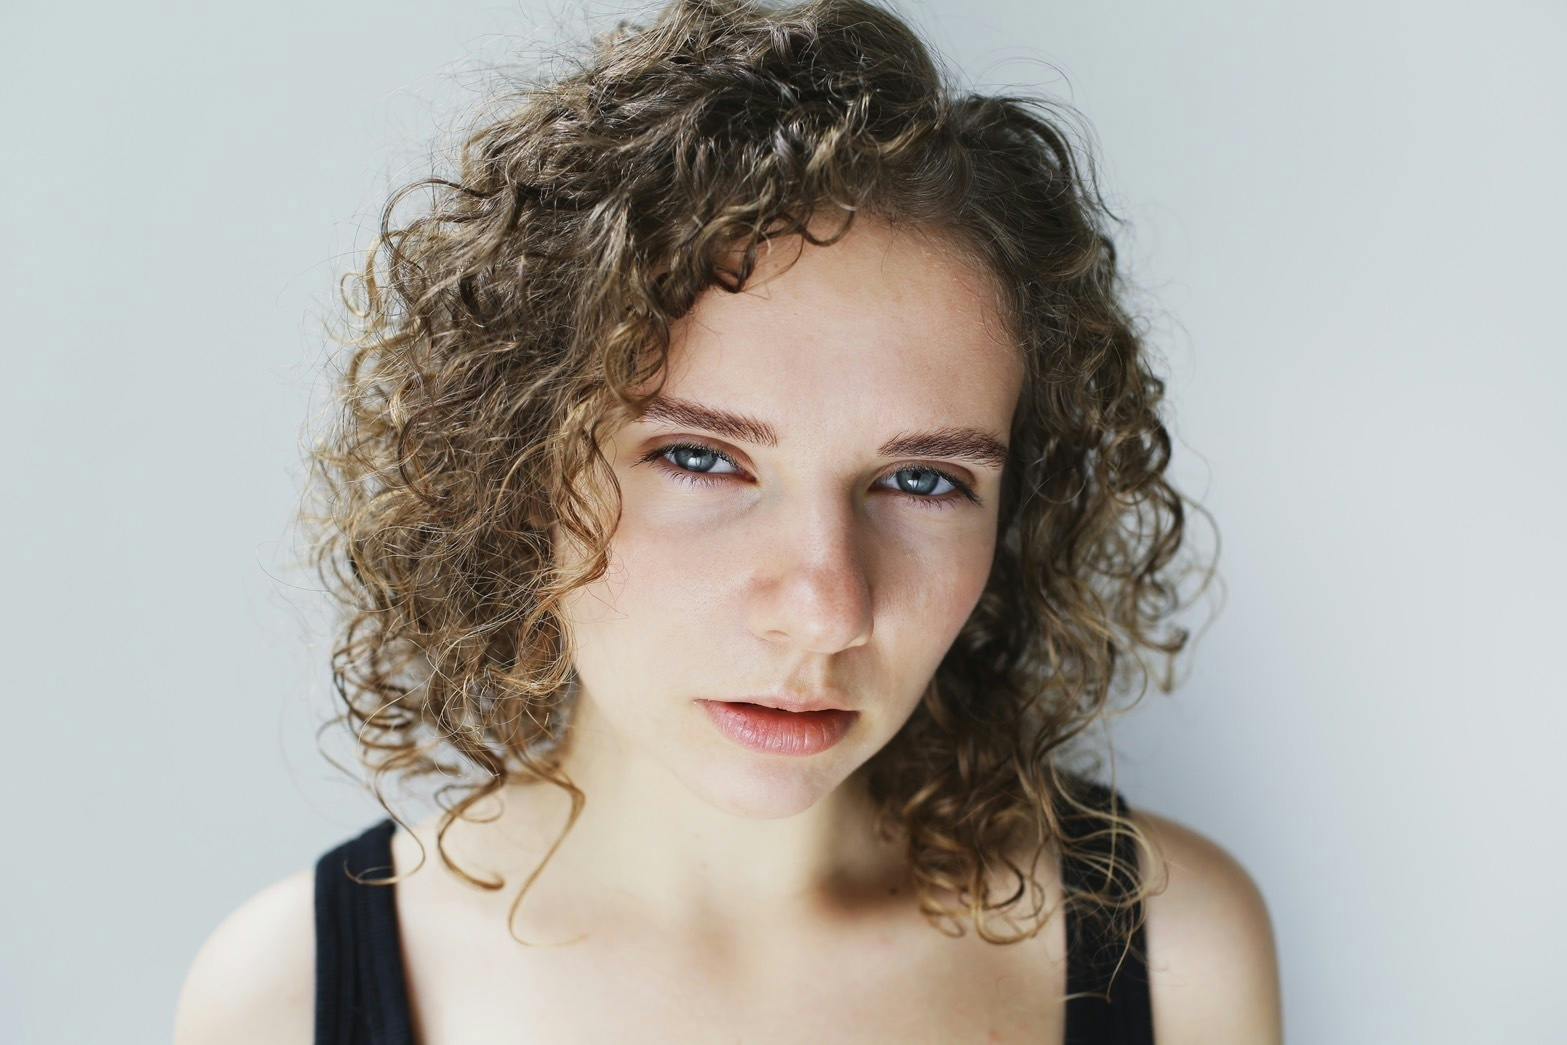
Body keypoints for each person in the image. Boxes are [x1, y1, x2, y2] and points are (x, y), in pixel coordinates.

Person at [174, 0, 1283, 1041]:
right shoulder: (284, 997)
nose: (824, 608)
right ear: (515, 468)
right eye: (701, 459)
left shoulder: (1174, 946)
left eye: (923, 480)